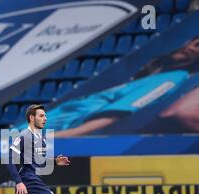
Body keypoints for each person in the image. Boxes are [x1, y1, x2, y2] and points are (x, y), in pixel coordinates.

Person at [49, 36, 199, 137]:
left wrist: (62, 136)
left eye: (198, 46)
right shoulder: (151, 75)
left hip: (55, 131)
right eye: (193, 41)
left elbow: (117, 113)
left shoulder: (173, 78)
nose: (192, 47)